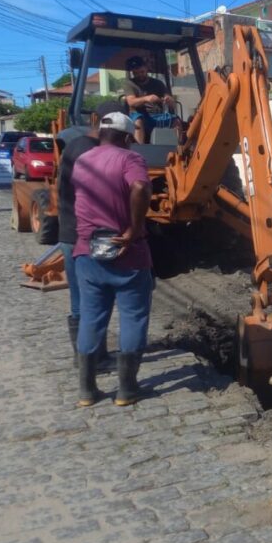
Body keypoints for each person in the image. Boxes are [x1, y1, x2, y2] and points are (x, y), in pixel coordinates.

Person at [72, 111, 154, 407]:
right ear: (127, 137)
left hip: (88, 253)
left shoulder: (82, 161)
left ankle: (87, 390)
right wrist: (132, 228)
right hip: (127, 254)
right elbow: (141, 187)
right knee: (133, 317)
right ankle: (126, 389)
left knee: (91, 318)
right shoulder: (130, 159)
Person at [57, 100, 122, 367]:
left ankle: (93, 356)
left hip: (73, 232)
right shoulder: (87, 150)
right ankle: (88, 359)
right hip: (82, 235)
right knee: (88, 300)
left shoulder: (79, 146)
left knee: (89, 298)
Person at [121, 55, 177, 145]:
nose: (140, 75)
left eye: (142, 72)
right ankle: (139, 149)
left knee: (176, 121)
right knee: (138, 121)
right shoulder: (129, 84)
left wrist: (168, 100)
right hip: (139, 116)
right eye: (136, 73)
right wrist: (147, 98)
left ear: (146, 69)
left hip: (157, 116)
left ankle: (179, 149)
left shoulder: (158, 83)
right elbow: (131, 102)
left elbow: (172, 103)